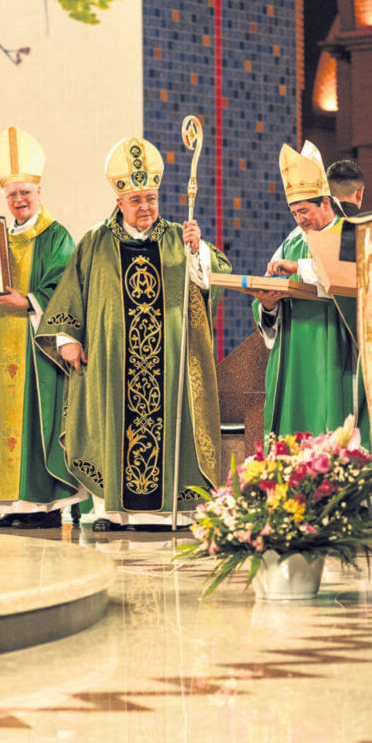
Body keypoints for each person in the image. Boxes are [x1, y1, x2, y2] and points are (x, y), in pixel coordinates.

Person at [35, 136, 232, 533]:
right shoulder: (96, 240)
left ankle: (169, 509)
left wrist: (200, 253)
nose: (145, 208)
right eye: (137, 200)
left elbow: (214, 281)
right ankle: (114, 512)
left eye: (151, 199)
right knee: (111, 425)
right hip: (111, 364)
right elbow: (72, 291)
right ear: (120, 202)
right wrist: (68, 339)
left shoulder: (180, 236)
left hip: (170, 362)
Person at [0, 126, 81, 528]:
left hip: (37, 347)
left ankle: (42, 508)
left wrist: (28, 300)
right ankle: (9, 505)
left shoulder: (57, 236)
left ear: (39, 193)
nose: (19, 200)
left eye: (25, 193)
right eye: (12, 195)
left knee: (36, 424)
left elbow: (66, 285)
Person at [248, 141, 368, 441]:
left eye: (304, 211)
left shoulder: (350, 231)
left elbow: (352, 282)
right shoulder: (291, 242)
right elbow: (269, 293)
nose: (300, 220)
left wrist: (299, 268)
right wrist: (268, 305)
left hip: (332, 352)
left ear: (325, 203)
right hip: (293, 355)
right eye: (293, 213)